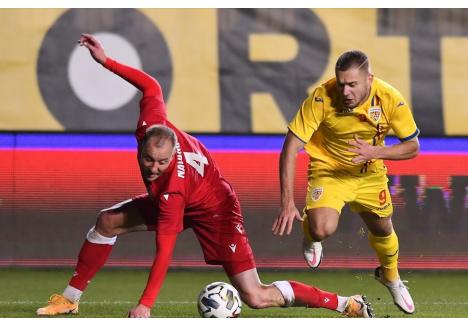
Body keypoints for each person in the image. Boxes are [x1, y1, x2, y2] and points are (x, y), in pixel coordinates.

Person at [36, 34, 373, 318]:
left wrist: (145, 305)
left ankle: (345, 304)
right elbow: (150, 85)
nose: (153, 168)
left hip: (216, 209)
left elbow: (164, 251)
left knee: (255, 296)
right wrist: (106, 61)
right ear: (143, 143)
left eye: (161, 163)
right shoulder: (150, 125)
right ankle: (69, 299)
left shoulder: (172, 191)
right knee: (107, 222)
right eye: (149, 161)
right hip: (190, 193)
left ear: (171, 157)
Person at [272, 50, 419, 314]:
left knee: (383, 229)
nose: (345, 91)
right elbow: (290, 148)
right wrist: (287, 203)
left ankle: (391, 277)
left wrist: (376, 152)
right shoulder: (321, 97)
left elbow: (412, 146)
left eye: (352, 84)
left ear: (369, 79)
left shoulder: (389, 98)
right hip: (329, 172)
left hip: (369, 174)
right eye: (341, 84)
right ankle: (310, 235)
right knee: (321, 229)